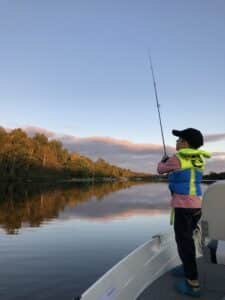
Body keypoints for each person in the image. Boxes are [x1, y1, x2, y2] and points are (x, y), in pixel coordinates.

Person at [157, 128, 211, 297]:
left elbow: (160, 169)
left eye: (179, 140)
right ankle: (186, 266)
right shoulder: (199, 159)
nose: (177, 142)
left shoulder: (177, 158)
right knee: (188, 239)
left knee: (184, 242)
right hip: (196, 206)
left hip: (183, 207)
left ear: (187, 143)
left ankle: (192, 284)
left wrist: (163, 161)